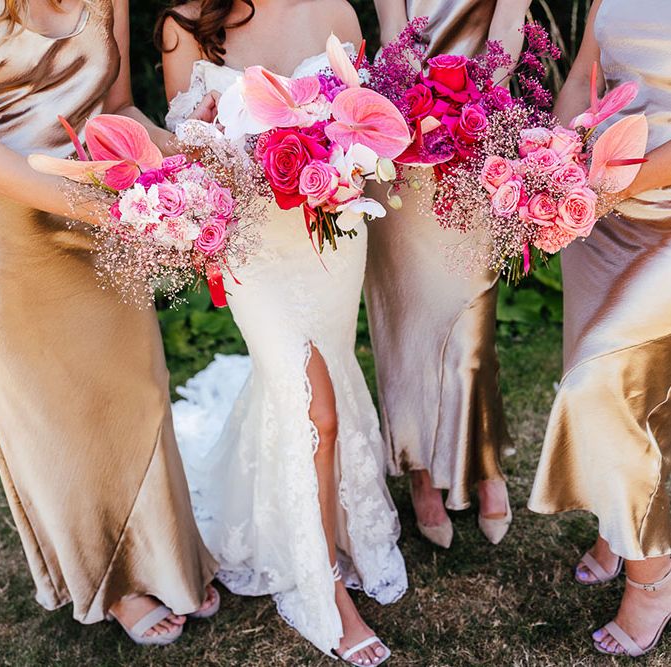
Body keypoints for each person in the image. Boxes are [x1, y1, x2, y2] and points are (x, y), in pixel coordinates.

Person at [0, 0, 221, 645]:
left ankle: (169, 558)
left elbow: (117, 109)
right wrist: (113, 211)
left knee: (138, 391)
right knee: (54, 416)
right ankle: (114, 581)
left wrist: (185, 164)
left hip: (99, 222)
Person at [157, 0, 407, 663]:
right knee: (310, 407)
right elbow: (185, 152)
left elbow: (369, 127)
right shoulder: (185, 26)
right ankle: (320, 582)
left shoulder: (335, 9)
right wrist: (210, 142)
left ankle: (333, 522)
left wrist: (342, 166)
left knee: (325, 384)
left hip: (332, 234)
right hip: (254, 249)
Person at [529, 0, 671, 657]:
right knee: (628, 395)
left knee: (598, 385)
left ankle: (653, 579)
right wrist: (549, 165)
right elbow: (583, 73)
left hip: (655, 212)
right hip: (602, 218)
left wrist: (607, 186)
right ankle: (618, 525)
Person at [365, 0, 530, 549]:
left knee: (470, 329)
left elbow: (507, 28)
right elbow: (393, 33)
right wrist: (417, 114)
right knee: (406, 324)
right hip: (402, 147)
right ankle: (417, 467)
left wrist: (473, 116)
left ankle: (483, 464)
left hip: (477, 139)